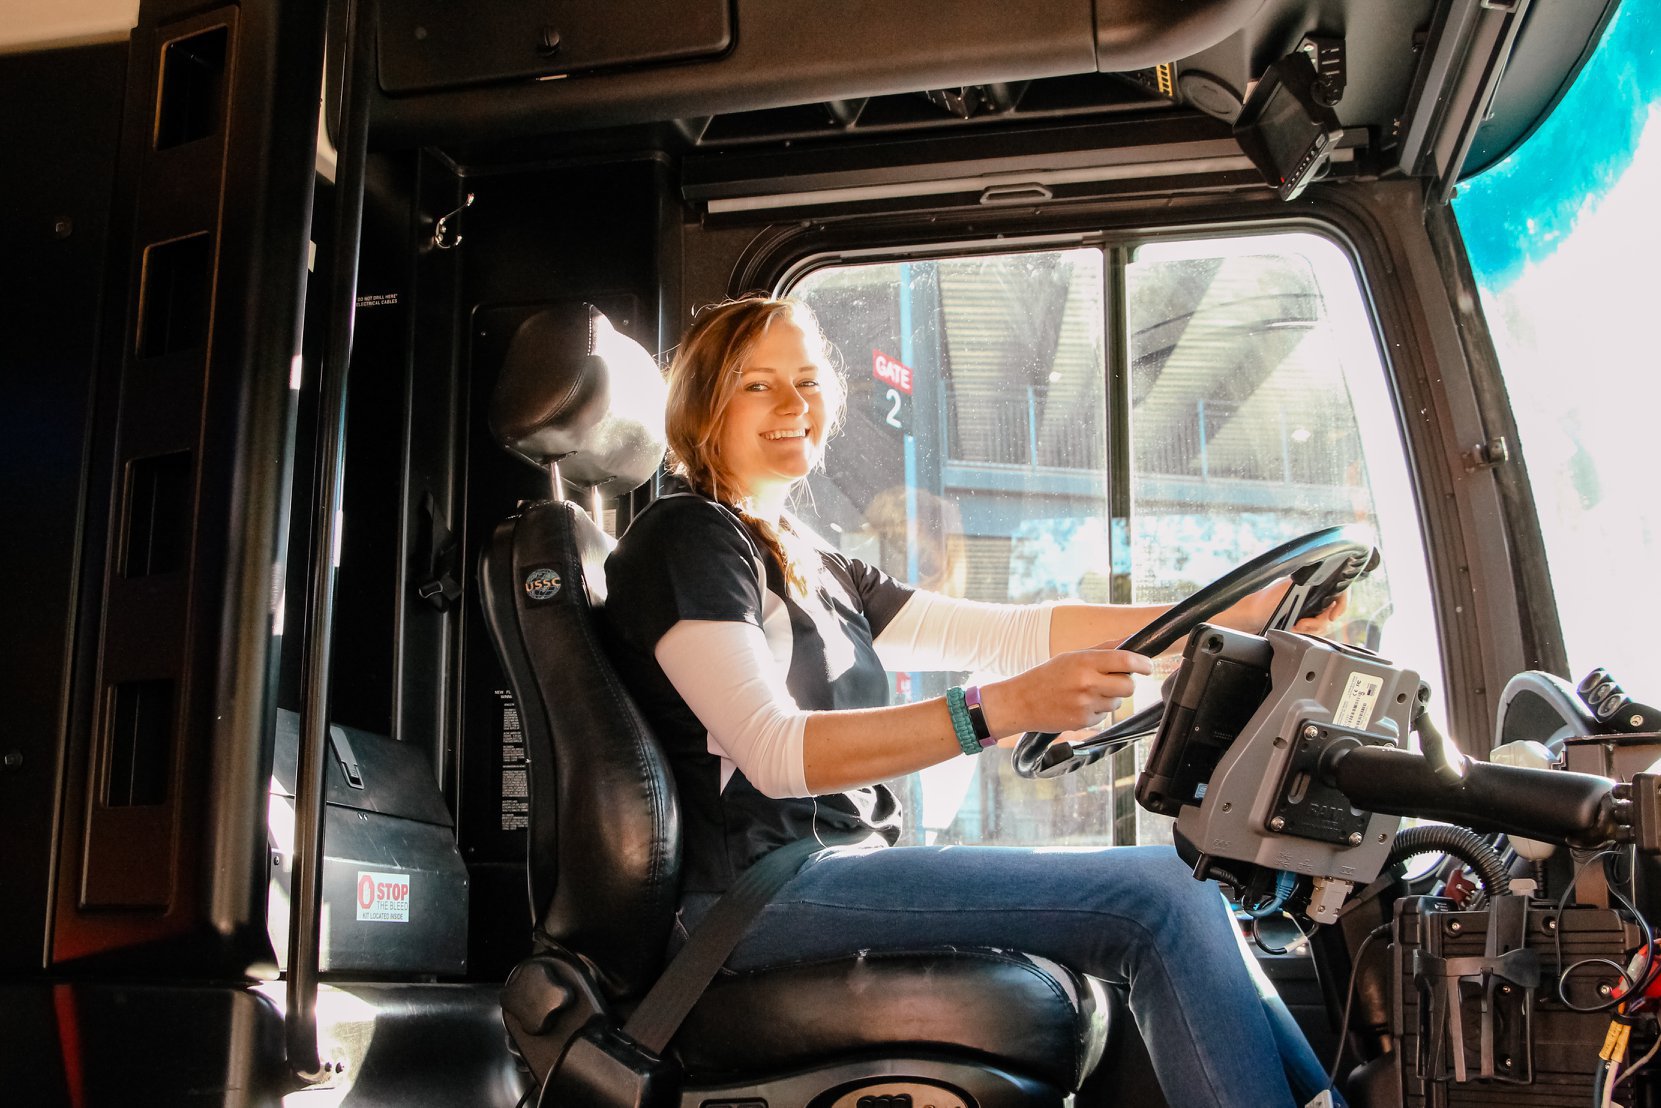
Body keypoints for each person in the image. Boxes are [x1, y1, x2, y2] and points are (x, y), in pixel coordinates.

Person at [602, 295, 1347, 1108]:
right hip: (756, 895)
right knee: (1163, 895)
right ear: (701, 402)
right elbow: (776, 755)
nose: (794, 406)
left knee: (1184, 891)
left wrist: (1240, 617)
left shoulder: (816, 564)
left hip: (832, 873)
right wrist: (993, 711)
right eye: (757, 385)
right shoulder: (687, 540)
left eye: (809, 381)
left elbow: (1019, 634)